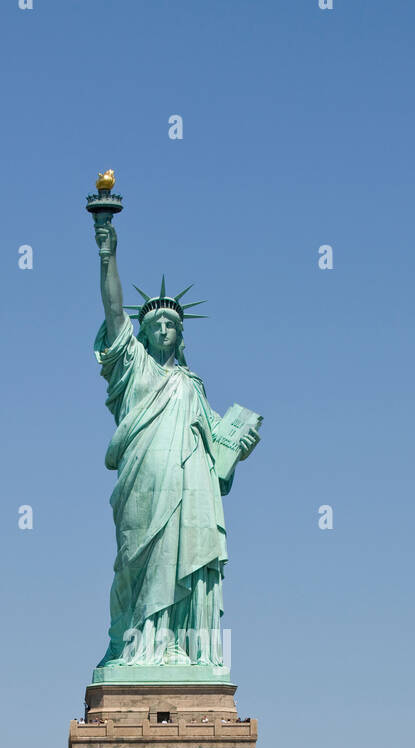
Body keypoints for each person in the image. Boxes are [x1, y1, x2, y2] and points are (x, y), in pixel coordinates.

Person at [91, 218, 259, 673]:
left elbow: (217, 455)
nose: (164, 329)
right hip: (143, 486)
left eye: (171, 323)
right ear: (141, 333)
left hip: (191, 493)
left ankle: (181, 650)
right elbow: (112, 312)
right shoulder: (133, 371)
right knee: (138, 564)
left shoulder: (193, 387)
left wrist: (237, 446)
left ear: (181, 335)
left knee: (187, 559)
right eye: (155, 323)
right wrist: (107, 251)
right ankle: (136, 647)